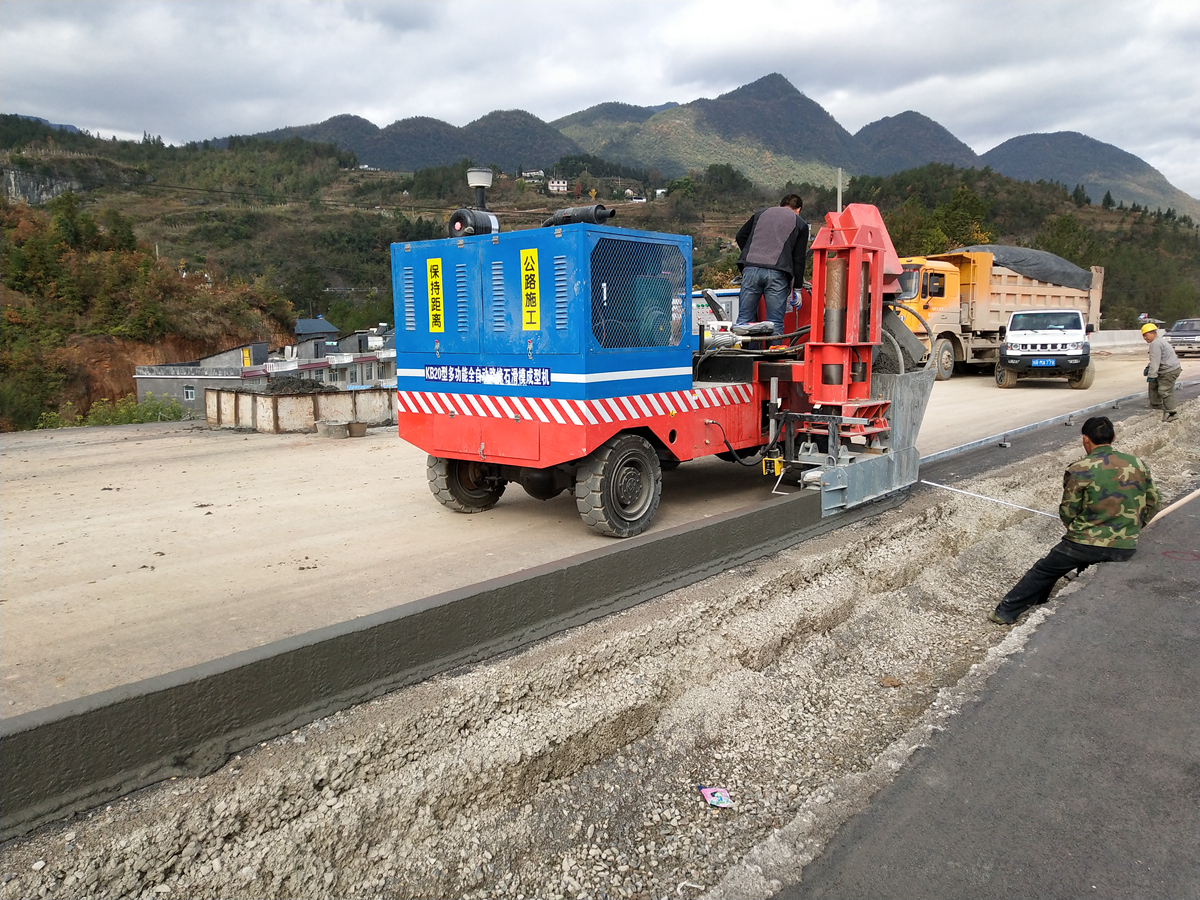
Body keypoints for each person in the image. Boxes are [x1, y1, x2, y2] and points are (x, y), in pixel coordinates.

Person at [989, 416, 1160, 625]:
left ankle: (1004, 613)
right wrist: (1132, 528)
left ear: (1085, 439)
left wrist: (1078, 530)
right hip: (1124, 546)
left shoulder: (1079, 469)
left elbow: (1068, 511)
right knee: (1075, 561)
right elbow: (1153, 502)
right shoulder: (1138, 464)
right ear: (1114, 437)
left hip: (1083, 543)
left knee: (1045, 569)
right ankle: (1062, 589)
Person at [734, 194, 810, 336]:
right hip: (777, 273)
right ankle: (773, 357)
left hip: (750, 270)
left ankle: (744, 357)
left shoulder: (761, 213)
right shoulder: (800, 223)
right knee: (774, 324)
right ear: (798, 209)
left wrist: (752, 254)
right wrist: (798, 289)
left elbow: (740, 236)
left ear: (780, 205)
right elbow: (799, 259)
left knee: (744, 321)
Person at [1141, 322, 1182, 422]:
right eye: (1143, 336)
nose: (1145, 338)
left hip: (1169, 370)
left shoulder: (1156, 344)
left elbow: (1155, 361)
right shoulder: (1158, 342)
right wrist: (1149, 368)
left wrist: (1151, 374)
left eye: (1146, 335)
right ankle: (1156, 405)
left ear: (1153, 333)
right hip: (1167, 368)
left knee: (1164, 390)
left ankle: (1173, 413)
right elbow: (1156, 359)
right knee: (1153, 384)